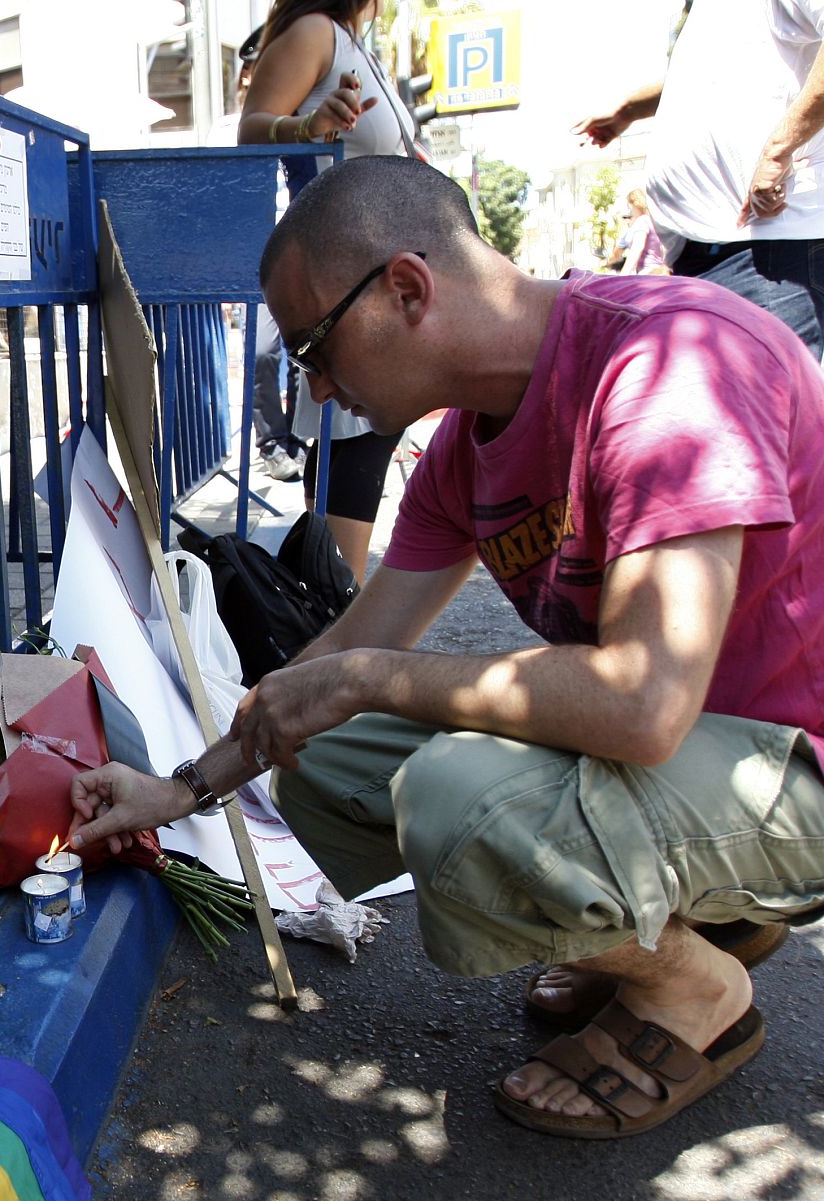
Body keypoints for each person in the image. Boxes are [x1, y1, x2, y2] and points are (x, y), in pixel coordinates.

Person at [69, 155, 824, 1139]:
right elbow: (345, 653)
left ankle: (693, 986)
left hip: (791, 765)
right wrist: (178, 790)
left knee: (457, 801)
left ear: (407, 288)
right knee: (325, 760)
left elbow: (641, 704)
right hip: (689, 763)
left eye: (312, 348)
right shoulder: (467, 448)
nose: (317, 387)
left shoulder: (669, 369)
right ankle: (682, 911)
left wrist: (375, 676)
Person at [238, 0, 413, 583]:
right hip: (343, 279)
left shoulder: (353, 41)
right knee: (357, 432)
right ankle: (334, 620)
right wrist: (305, 129)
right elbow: (250, 129)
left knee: (363, 435)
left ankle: (333, 612)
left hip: (375, 279)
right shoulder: (315, 33)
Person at [574, 0, 824, 353]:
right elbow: (711, 74)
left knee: (757, 404)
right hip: (704, 258)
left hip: (766, 252)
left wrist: (778, 150)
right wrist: (627, 110)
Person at [211, 28, 306, 483]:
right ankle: (270, 441)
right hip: (256, 259)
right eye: (253, 73)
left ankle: (296, 439)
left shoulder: (299, 122)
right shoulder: (230, 128)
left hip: (299, 252)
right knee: (265, 352)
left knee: (304, 352)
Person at [621, 187, 669, 275]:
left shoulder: (642, 221)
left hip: (646, 271)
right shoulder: (654, 221)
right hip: (658, 270)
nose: (630, 211)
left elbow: (637, 248)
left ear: (634, 204)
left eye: (629, 206)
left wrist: (623, 274)